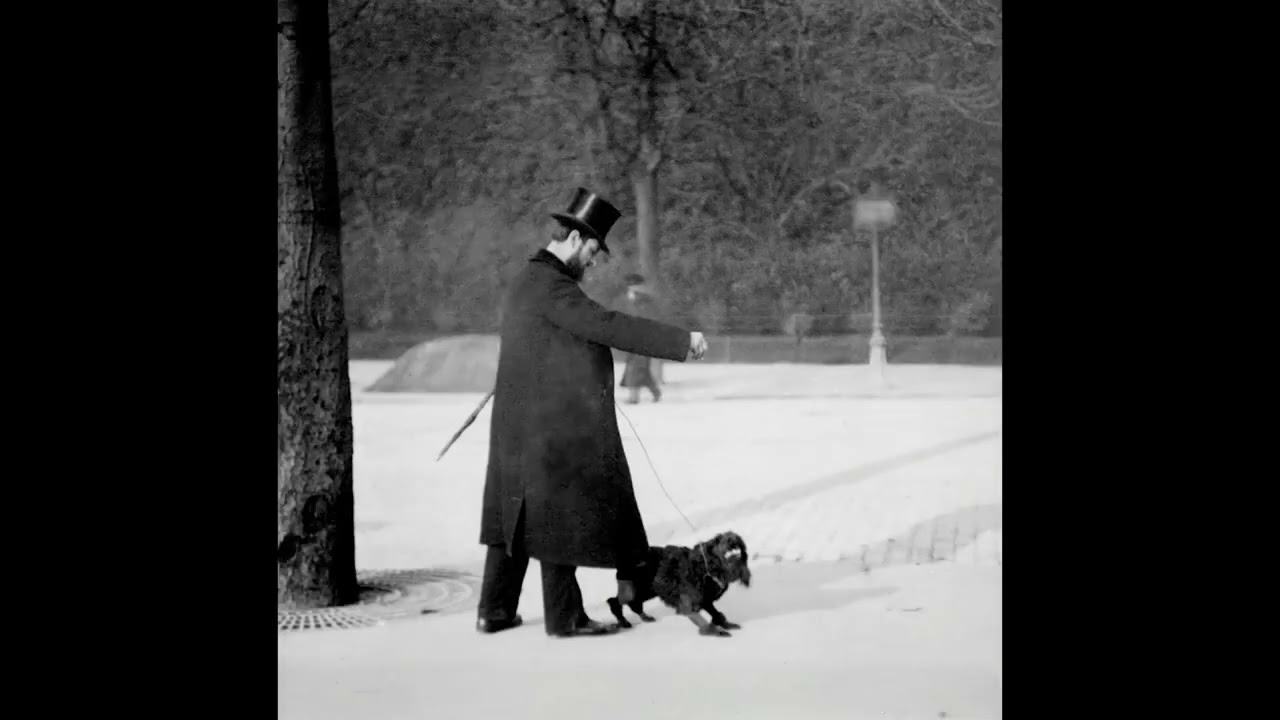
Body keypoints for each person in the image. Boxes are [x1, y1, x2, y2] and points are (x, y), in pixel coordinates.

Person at [476, 187, 708, 638]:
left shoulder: (528, 279)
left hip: (517, 423)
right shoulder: (554, 287)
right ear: (579, 240)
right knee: (551, 517)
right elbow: (605, 325)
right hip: (545, 429)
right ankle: (565, 618)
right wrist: (681, 342)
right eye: (596, 251)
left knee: (514, 518)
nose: (597, 262)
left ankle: (495, 611)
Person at [619, 275, 663, 404]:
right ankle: (655, 392)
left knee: (635, 367)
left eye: (634, 285)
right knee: (641, 368)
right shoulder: (631, 299)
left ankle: (634, 398)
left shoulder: (644, 300)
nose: (631, 287)